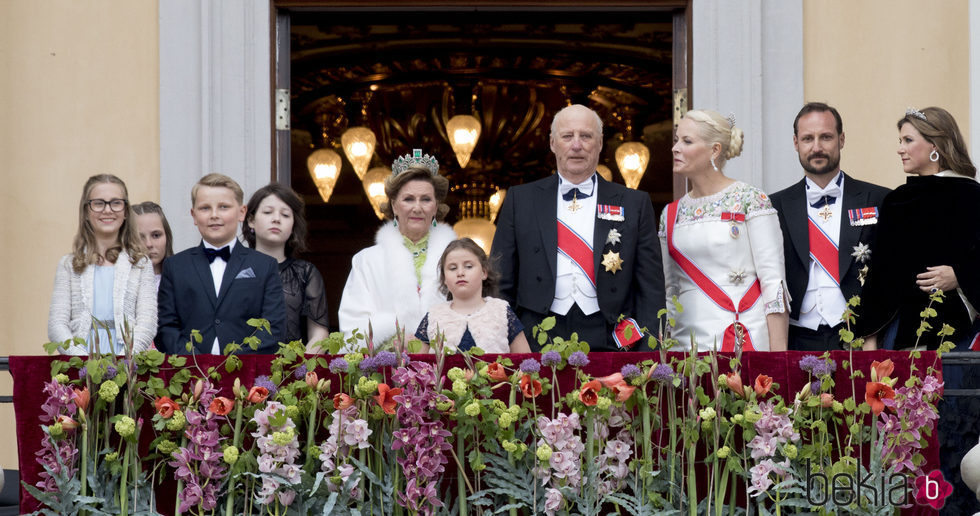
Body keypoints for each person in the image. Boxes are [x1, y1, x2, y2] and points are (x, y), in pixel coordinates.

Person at [491, 104, 665, 351]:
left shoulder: (634, 203)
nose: (576, 145)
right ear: (552, 143)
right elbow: (500, 282)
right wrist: (506, 342)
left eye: (586, 136)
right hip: (535, 336)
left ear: (600, 143)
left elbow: (651, 287)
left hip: (611, 336)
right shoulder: (521, 199)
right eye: (567, 136)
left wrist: (646, 354)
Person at [660, 110, 788, 351]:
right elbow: (671, 291)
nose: (675, 148)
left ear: (715, 150)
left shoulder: (751, 199)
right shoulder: (670, 214)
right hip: (684, 345)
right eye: (676, 140)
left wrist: (778, 360)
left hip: (742, 339)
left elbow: (773, 283)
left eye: (686, 141)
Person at [856, 107, 980, 351]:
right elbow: (880, 277)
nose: (900, 149)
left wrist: (959, 276)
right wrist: (869, 346)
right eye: (900, 141)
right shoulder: (897, 201)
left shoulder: (972, 197)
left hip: (960, 337)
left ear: (935, 145)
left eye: (908, 140)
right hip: (900, 337)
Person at [770, 103, 890, 351]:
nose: (816, 147)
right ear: (795, 143)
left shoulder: (878, 199)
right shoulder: (774, 206)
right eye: (807, 138)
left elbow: (889, 272)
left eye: (825, 137)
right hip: (797, 340)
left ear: (841, 139)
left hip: (860, 337)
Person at [156, 173, 287, 355]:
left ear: (242, 212)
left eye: (224, 207)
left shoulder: (264, 266)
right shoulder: (175, 266)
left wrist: (234, 364)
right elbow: (166, 327)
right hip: (189, 373)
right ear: (194, 215)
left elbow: (273, 328)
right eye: (205, 208)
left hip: (248, 374)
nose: (214, 215)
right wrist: (197, 363)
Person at [338, 150, 456, 347]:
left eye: (426, 199)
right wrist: (395, 342)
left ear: (436, 207)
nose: (417, 207)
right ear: (394, 205)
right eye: (408, 199)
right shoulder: (366, 260)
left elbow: (475, 314)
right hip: (383, 369)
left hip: (446, 367)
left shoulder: (457, 258)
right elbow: (352, 329)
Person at [48, 174, 157, 355]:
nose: (108, 210)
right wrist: (81, 360)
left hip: (128, 364)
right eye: (99, 203)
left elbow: (147, 323)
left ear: (125, 212)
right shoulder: (69, 265)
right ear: (86, 212)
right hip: (80, 363)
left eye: (116, 203)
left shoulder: (140, 264)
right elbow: (57, 324)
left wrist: (124, 361)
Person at [244, 183, 330, 348]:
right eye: (268, 212)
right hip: (240, 368)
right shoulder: (234, 269)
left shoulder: (305, 273)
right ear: (251, 221)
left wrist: (301, 369)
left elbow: (319, 334)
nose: (276, 219)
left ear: (293, 227)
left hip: (291, 369)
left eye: (285, 215)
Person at [415, 238, 532, 353]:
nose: (460, 273)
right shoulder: (434, 316)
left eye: (468, 266)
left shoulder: (501, 311)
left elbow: (526, 363)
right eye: (453, 268)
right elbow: (416, 367)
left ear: (484, 272)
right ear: (444, 278)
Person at [133, 201, 175, 291]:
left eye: (156, 235)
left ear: (167, 237)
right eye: (140, 237)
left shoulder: (182, 278)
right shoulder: (120, 283)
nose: (149, 244)